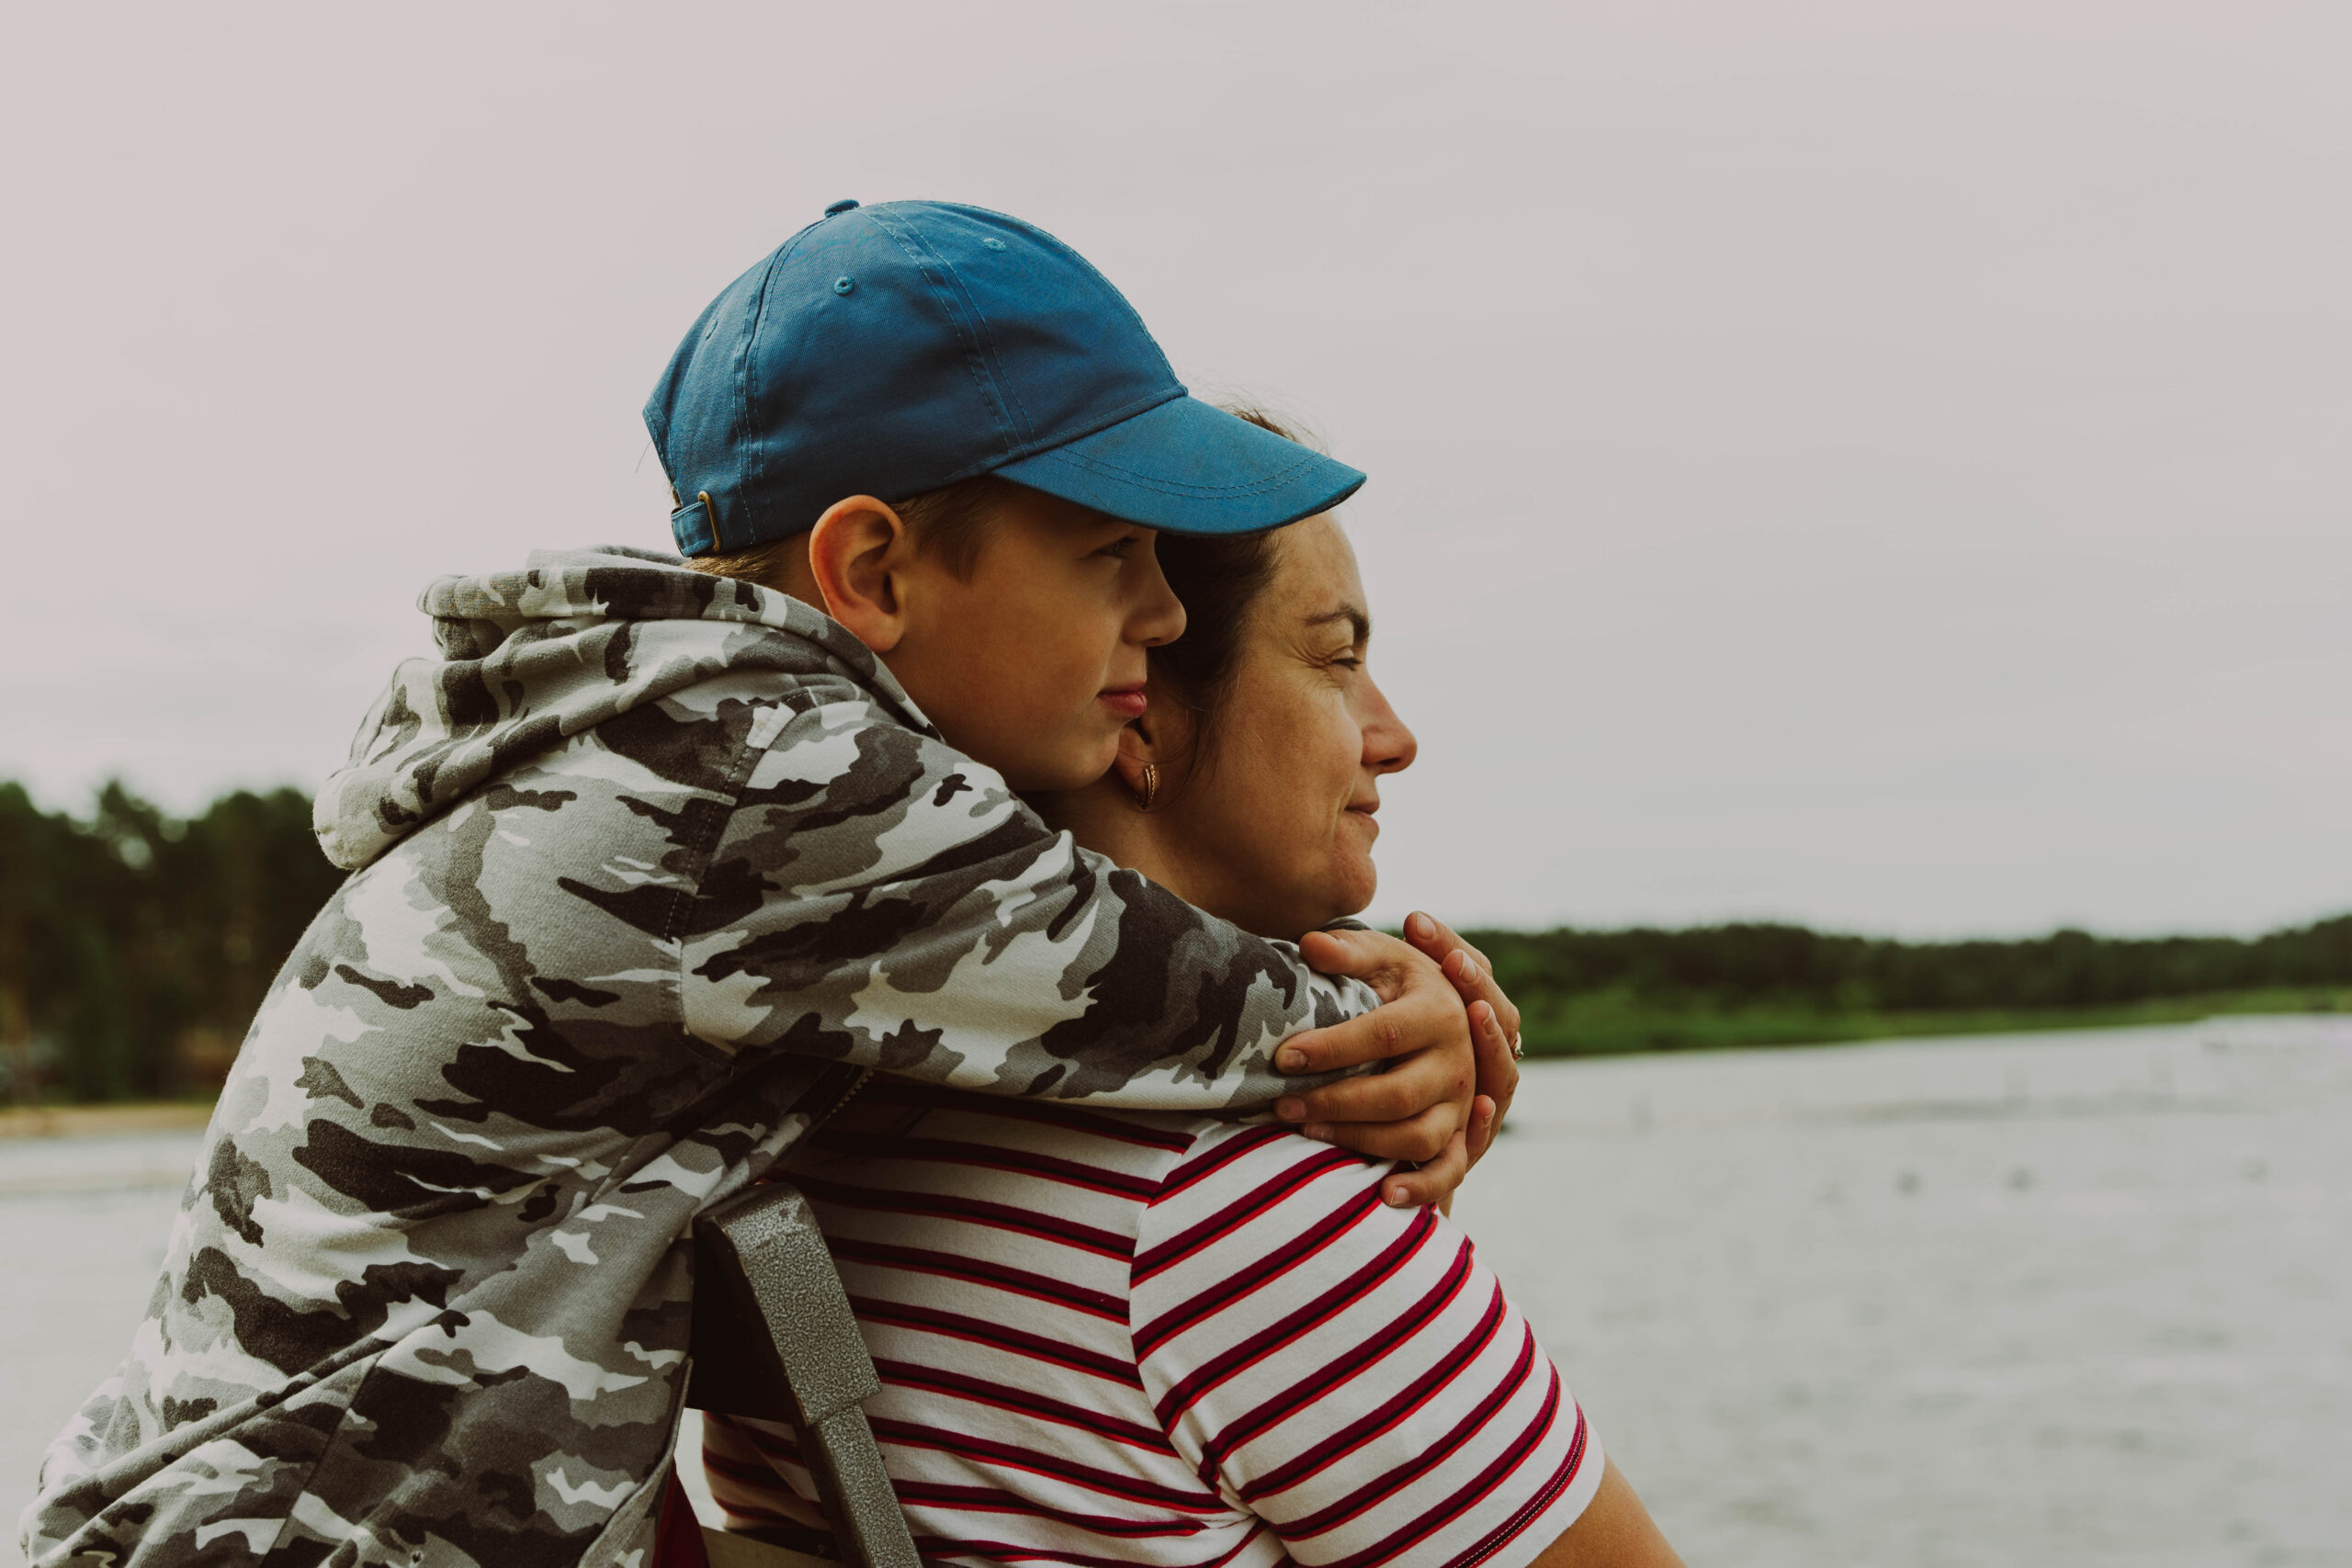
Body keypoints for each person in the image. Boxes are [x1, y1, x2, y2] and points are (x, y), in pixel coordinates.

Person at [20, 203, 1498, 1568]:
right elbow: (1162, 994)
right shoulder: (773, 779)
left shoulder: (653, 728)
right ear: (873, 571)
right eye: (1111, 552)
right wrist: (1417, 1012)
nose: (1162, 610)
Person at [697, 414, 1684, 1568]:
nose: (1393, 736)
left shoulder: (798, 1120)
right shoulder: (1233, 1214)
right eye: (1336, 658)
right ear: (1136, 704)